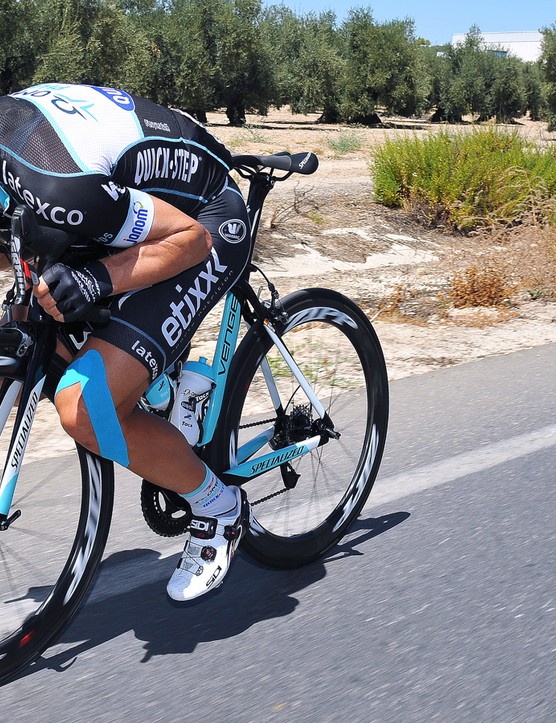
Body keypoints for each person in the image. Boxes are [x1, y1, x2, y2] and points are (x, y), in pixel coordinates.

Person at [0, 82, 252, 601]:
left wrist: (95, 280)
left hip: (203, 220)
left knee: (87, 411)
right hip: (109, 206)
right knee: (29, 315)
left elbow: (190, 240)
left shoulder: (53, 185)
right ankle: (165, 390)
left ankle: (218, 506)